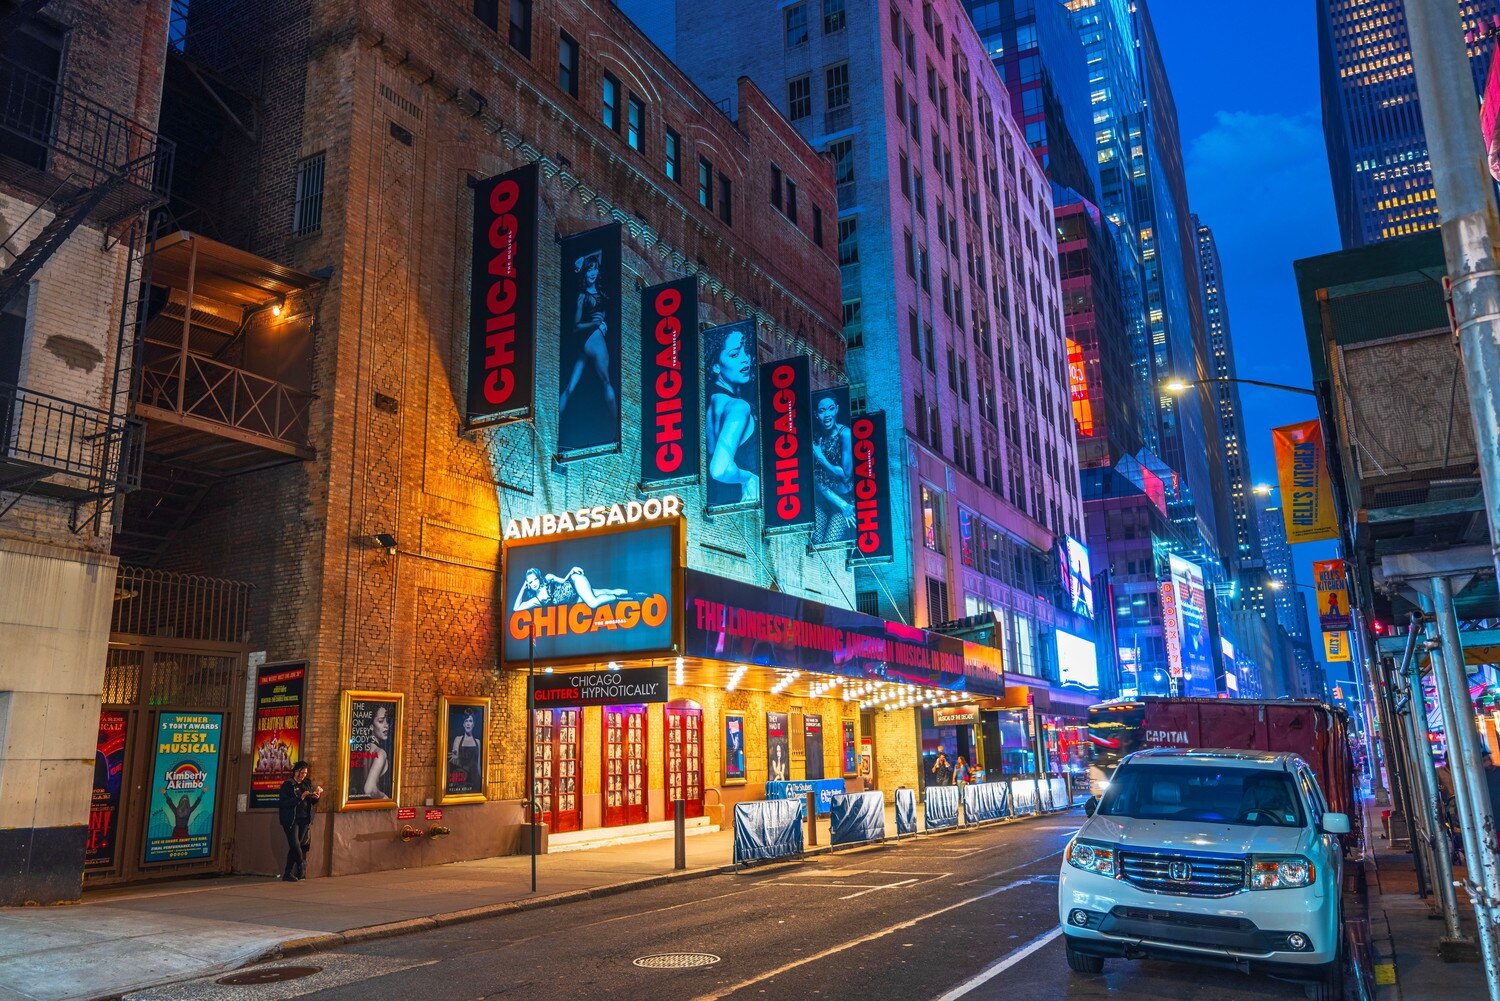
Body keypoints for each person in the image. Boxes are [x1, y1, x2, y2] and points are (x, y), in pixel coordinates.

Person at [558, 249, 617, 427]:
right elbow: (576, 327)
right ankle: (617, 422)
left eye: (594, 269)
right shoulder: (583, 296)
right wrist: (596, 324)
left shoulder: (599, 291)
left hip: (586, 345)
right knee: (606, 381)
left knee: (570, 387)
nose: (592, 272)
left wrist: (584, 257)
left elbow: (600, 253)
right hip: (594, 340)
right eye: (588, 269)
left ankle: (556, 418)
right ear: (584, 272)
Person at [705, 324, 758, 504]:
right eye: (734, 354)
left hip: (715, 505)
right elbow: (719, 470)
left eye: (746, 351)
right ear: (716, 367)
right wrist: (748, 477)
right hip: (737, 507)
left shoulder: (711, 404)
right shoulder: (738, 407)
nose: (746, 359)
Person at [811, 393, 854, 545]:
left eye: (830, 409)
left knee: (829, 544)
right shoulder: (815, 437)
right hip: (822, 499)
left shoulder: (845, 434)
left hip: (843, 501)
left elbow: (846, 475)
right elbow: (816, 479)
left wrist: (820, 457)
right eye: (822, 411)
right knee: (816, 544)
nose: (827, 414)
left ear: (836, 409)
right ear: (817, 414)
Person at [512, 566, 633, 612]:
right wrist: (523, 587)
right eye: (530, 582)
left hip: (575, 583)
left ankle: (617, 598)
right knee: (605, 592)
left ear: (538, 577)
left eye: (534, 580)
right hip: (576, 598)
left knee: (593, 602)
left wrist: (572, 570)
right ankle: (632, 594)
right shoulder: (537, 600)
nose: (533, 583)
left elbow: (563, 580)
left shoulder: (548, 578)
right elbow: (516, 608)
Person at [277, 760, 322, 881]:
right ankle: (301, 864)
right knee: (295, 845)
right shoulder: (288, 785)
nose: (303, 775)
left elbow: (310, 802)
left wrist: (316, 797)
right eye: (301, 773)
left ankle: (287, 873)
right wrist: (299, 798)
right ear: (296, 772)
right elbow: (283, 803)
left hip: (304, 819)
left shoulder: (306, 783)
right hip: (291, 820)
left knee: (295, 847)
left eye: (305, 773)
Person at [361, 705, 392, 800]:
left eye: (387, 721)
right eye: (381, 721)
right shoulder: (380, 753)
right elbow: (369, 789)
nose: (386, 725)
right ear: (371, 726)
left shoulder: (365, 749)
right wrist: (385, 798)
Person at [448, 710, 482, 790]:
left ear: (473, 724)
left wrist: (481, 782)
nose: (468, 723)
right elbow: (455, 760)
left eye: (470, 721)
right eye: (466, 721)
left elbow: (478, 765)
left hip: (475, 781)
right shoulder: (458, 740)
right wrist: (454, 757)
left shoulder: (477, 742)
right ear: (463, 724)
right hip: (462, 781)